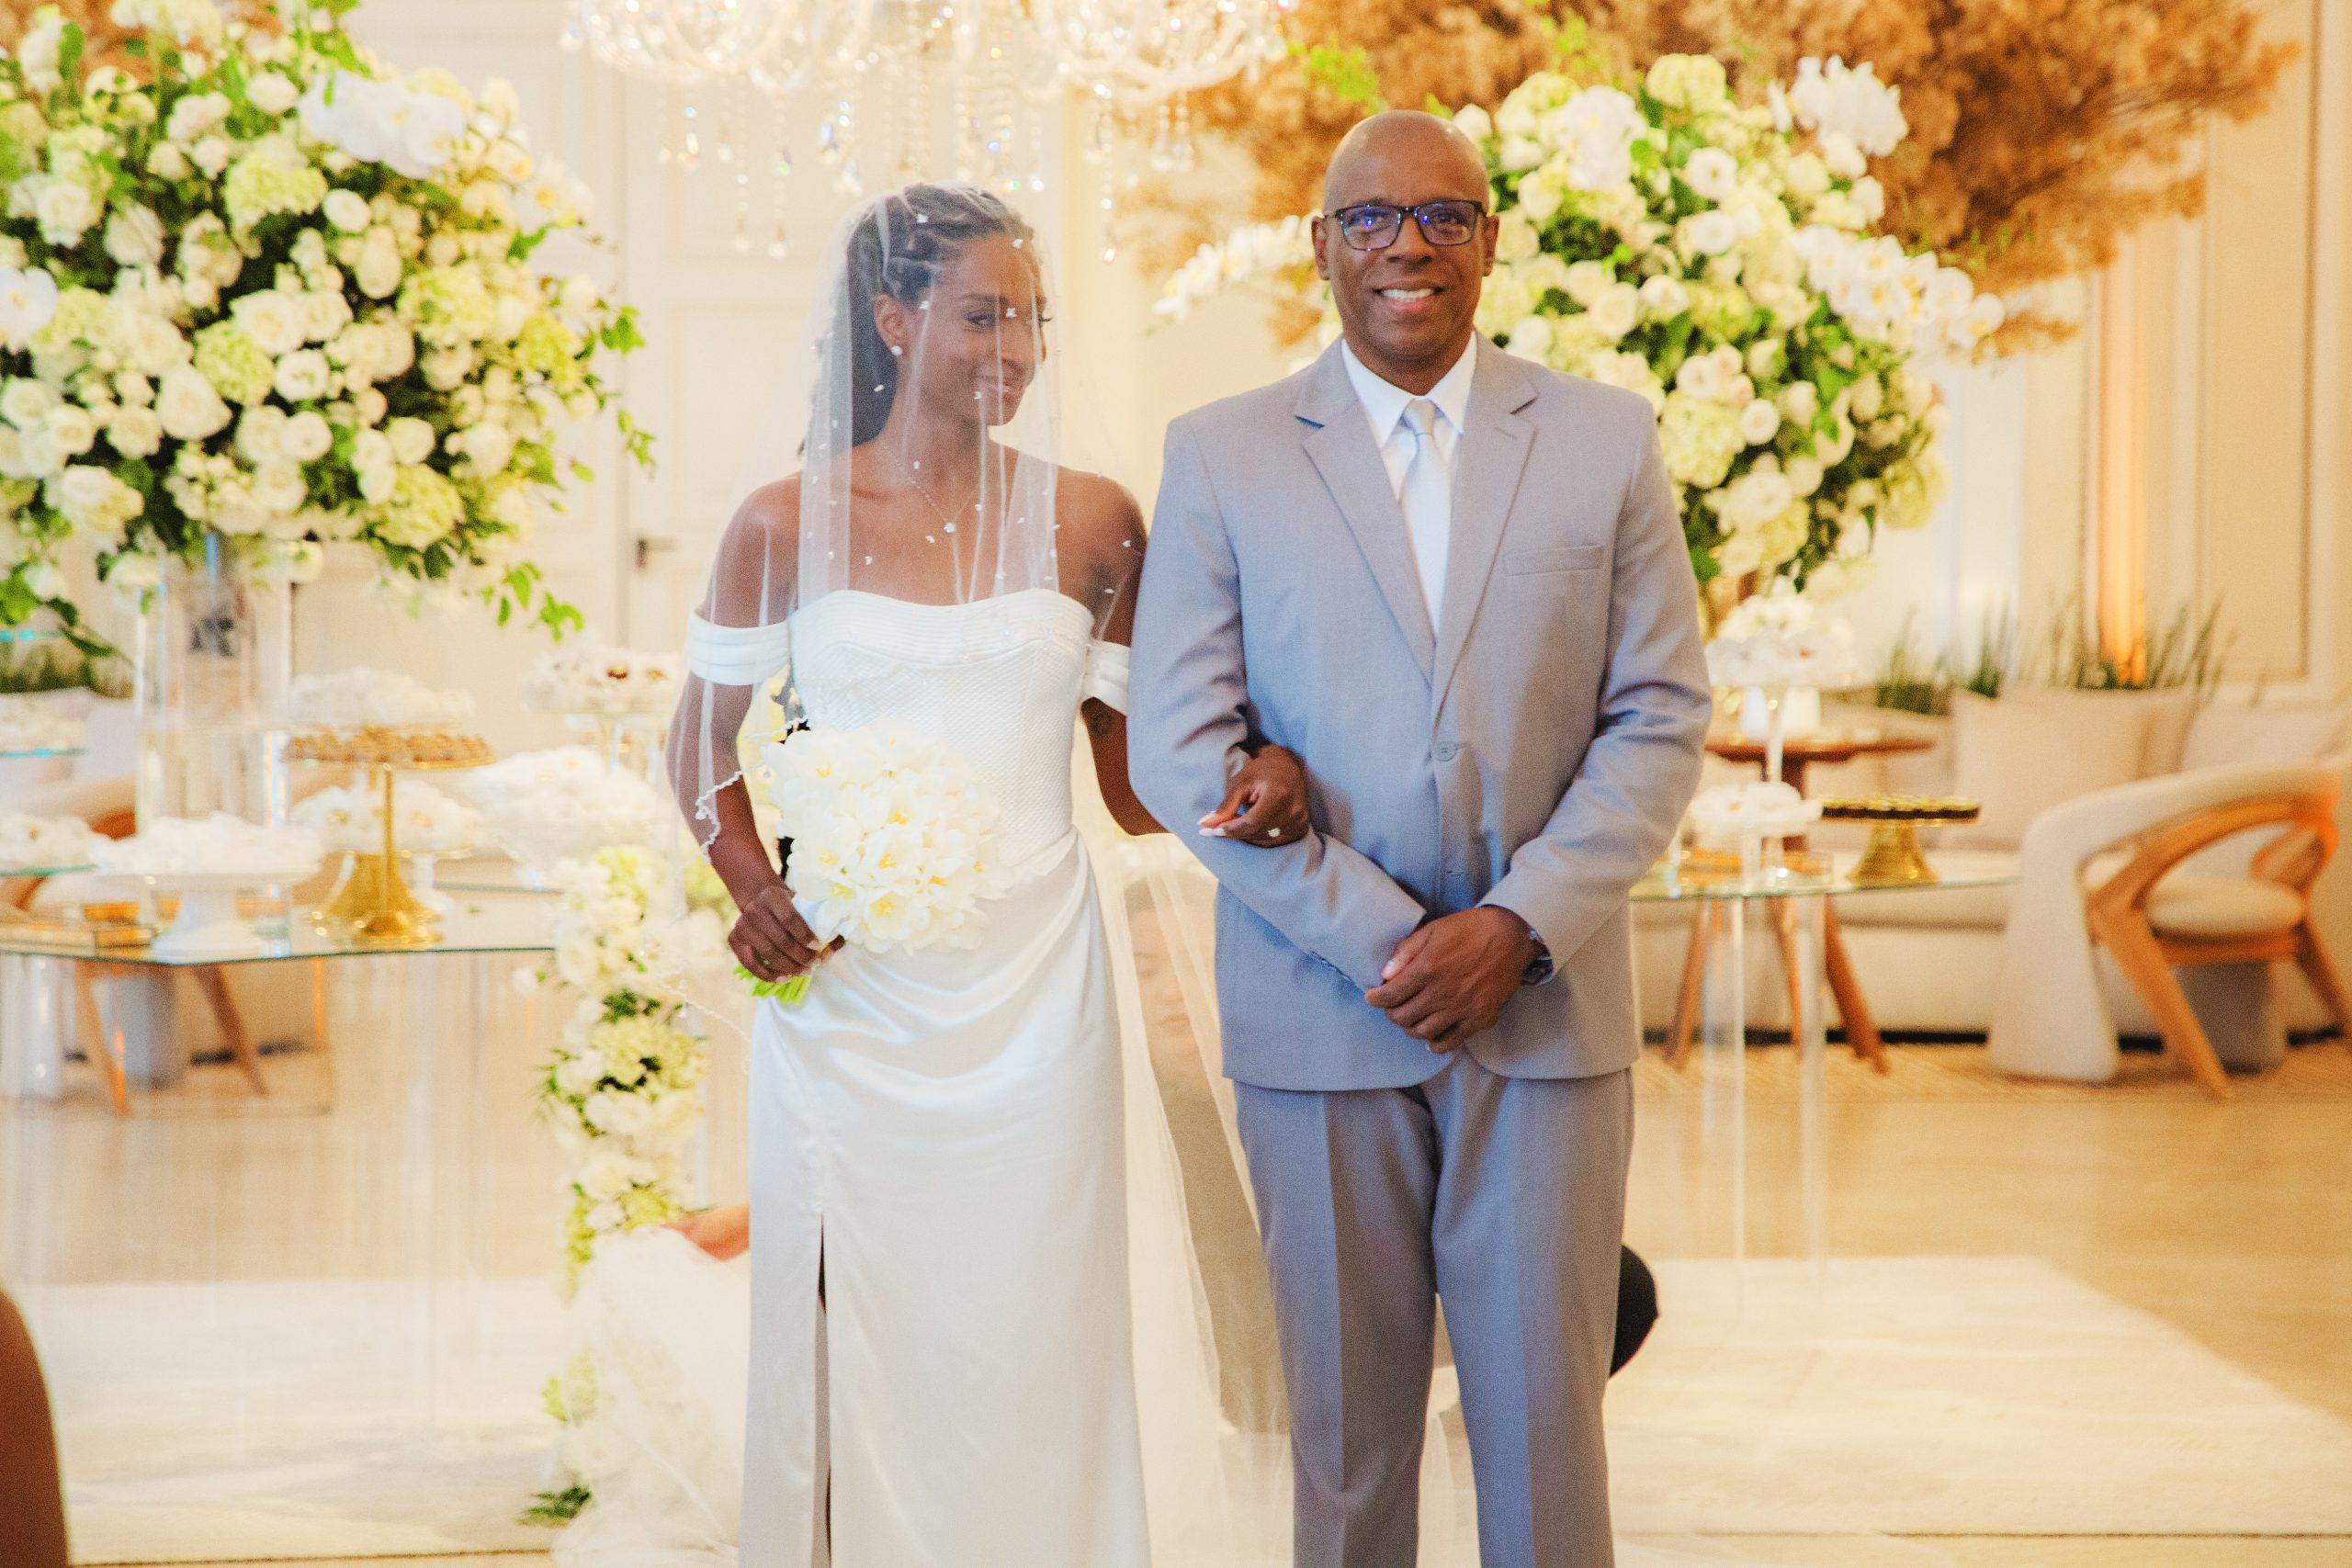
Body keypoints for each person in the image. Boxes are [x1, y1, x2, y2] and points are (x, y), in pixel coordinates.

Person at [653, 182, 1308, 1568]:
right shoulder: (784, 520)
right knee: (853, 1313)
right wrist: (746, 883)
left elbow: (1137, 791)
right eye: (983, 316)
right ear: (895, 318)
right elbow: (700, 749)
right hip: (850, 1000)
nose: (1015, 350)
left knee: (1036, 1309)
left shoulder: (1097, 523)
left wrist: (1271, 770)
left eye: (1034, 321)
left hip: (1036, 995)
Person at [1126, 108, 1712, 1568]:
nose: (1410, 244)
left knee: (1545, 1432)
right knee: (1345, 1441)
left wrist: (1512, 930)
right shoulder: (1222, 453)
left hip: (1549, 1009)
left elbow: (1660, 715)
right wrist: (1397, 946)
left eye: (1446, 216)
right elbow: (1180, 743)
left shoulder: (1604, 440)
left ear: (1491, 241)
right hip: (1319, 1014)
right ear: (1320, 247)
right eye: (1373, 217)